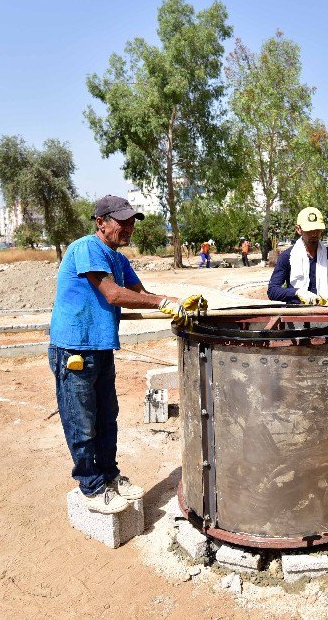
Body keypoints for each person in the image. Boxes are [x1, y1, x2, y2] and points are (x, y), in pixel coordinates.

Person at [49, 195, 204, 515]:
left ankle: (110, 476)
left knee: (107, 417)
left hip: (100, 348)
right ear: (101, 222)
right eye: (122, 220)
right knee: (82, 421)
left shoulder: (118, 259)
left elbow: (141, 294)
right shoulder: (87, 248)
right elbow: (114, 294)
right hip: (74, 350)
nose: (129, 226)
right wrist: (164, 302)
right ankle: (91, 485)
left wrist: (178, 302)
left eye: (132, 220)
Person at [268, 207, 328, 305]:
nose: (314, 234)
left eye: (317, 230)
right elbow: (272, 291)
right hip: (296, 316)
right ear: (298, 229)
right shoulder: (287, 256)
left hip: (325, 314)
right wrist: (297, 292)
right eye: (309, 230)